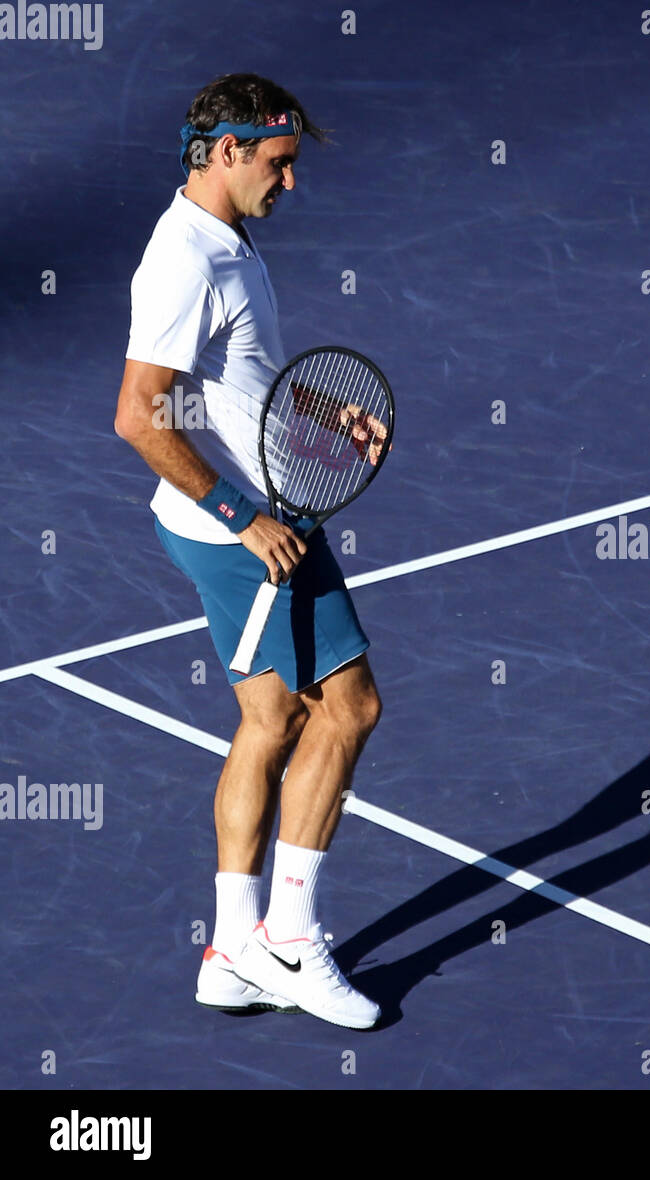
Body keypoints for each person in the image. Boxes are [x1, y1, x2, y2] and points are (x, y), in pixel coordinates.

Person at [114, 73, 382, 1030]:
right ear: (227, 151)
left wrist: (323, 412)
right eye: (280, 162)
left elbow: (244, 382)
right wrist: (243, 516)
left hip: (239, 524)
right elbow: (139, 415)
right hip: (243, 534)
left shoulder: (226, 239)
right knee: (349, 708)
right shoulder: (184, 261)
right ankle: (291, 943)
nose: (291, 182)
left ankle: (230, 951)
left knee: (271, 718)